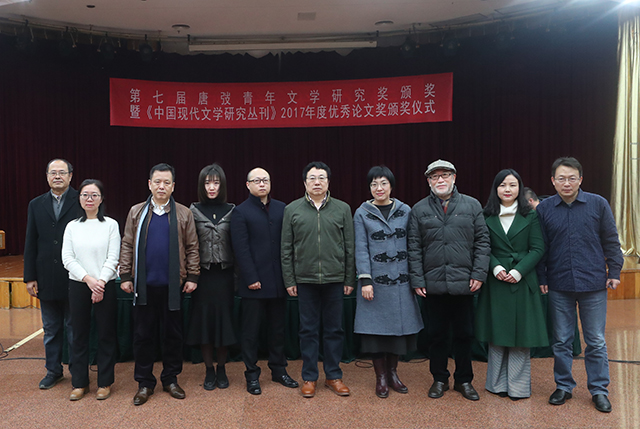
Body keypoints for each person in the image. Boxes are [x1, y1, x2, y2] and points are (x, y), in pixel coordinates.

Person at [536, 157, 623, 413]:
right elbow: (541, 247)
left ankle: (599, 390)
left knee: (595, 340)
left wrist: (614, 271)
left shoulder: (598, 204)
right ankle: (563, 386)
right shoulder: (544, 209)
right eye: (561, 178)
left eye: (572, 178)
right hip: (559, 283)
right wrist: (542, 277)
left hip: (593, 283)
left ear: (580, 180)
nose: (567, 183)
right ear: (553, 181)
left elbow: (611, 239)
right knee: (561, 340)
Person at [407, 159, 490, 401]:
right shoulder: (419, 209)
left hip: (464, 283)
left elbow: (483, 242)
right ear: (428, 181)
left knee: (464, 334)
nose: (440, 180)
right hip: (432, 285)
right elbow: (414, 247)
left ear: (454, 178)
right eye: (435, 176)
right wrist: (417, 279)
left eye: (445, 175)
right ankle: (439, 379)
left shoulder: (472, 205)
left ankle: (464, 380)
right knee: (437, 336)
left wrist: (478, 274)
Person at [119, 163, 199, 406]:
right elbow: (127, 244)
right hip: (143, 287)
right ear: (149, 184)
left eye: (166, 182)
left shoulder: (184, 213)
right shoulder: (136, 212)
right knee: (143, 336)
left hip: (173, 287)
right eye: (157, 182)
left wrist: (193, 277)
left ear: (173, 186)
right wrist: (125, 275)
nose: (161, 186)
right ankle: (144, 383)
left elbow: (192, 247)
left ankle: (170, 379)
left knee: (172, 335)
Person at [281, 161, 356, 398]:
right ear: (304, 183)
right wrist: (289, 280)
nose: (317, 182)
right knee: (308, 330)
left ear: (328, 182)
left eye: (321, 178)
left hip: (335, 279)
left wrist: (349, 279)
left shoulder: (342, 208)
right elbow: (286, 248)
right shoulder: (292, 209)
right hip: (305, 280)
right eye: (312, 178)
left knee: (334, 330)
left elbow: (350, 247)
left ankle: (333, 376)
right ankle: (310, 377)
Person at [475, 169, 548, 400]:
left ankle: (518, 388)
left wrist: (518, 271)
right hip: (496, 282)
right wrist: (496, 267)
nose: (507, 189)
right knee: (497, 334)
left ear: (520, 188)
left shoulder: (530, 215)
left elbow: (538, 248)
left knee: (521, 336)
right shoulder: (485, 215)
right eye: (503, 185)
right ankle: (496, 384)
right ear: (495, 189)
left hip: (522, 281)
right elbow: (482, 247)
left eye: (513, 185)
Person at [353, 166, 424, 398]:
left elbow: (413, 245)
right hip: (374, 283)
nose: (379, 188)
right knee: (375, 333)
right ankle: (381, 377)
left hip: (401, 283)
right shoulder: (362, 213)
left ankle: (393, 373)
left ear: (391, 186)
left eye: (383, 183)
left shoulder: (405, 210)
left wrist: (415, 278)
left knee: (398, 333)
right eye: (374, 184)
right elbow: (360, 248)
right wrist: (365, 280)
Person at [231, 167, 299, 395]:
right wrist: (251, 277)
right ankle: (251, 374)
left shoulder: (282, 208)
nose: (262, 184)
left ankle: (279, 370)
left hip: (278, 281)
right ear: (247, 184)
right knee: (250, 332)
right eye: (257, 180)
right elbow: (241, 249)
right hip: (253, 283)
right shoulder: (241, 211)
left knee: (278, 330)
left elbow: (289, 244)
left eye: (265, 180)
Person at [61, 179, 120, 401]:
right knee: (79, 335)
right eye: (85, 195)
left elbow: (113, 257)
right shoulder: (72, 226)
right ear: (79, 198)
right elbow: (67, 258)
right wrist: (88, 280)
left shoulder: (111, 225)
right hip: (79, 284)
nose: (89, 199)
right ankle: (79, 383)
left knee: (106, 334)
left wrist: (100, 282)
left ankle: (105, 382)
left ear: (101, 199)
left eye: (94, 195)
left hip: (105, 285)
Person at [24, 159, 79, 390]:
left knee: (74, 328)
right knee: (51, 329)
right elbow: (30, 241)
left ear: (70, 176)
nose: (57, 176)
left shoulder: (81, 200)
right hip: (45, 275)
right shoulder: (36, 204)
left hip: (74, 276)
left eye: (62, 172)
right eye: (53, 172)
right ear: (47, 176)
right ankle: (53, 371)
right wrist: (30, 276)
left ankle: (78, 371)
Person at [185, 163, 237, 391]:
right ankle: (208, 369)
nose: (212, 187)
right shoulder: (192, 211)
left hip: (225, 276)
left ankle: (222, 369)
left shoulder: (233, 210)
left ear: (222, 184)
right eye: (207, 183)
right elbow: (187, 245)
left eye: (216, 182)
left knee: (223, 324)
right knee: (204, 324)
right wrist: (190, 275)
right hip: (202, 277)